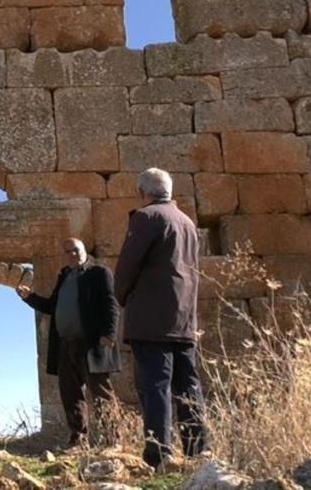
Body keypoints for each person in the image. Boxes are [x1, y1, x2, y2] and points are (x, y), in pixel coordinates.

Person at [114, 168, 209, 470]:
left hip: (151, 317)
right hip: (184, 317)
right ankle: (197, 449)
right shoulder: (188, 223)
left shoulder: (147, 217)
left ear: (143, 193)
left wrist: (122, 295)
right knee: (188, 383)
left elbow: (128, 264)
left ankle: (159, 453)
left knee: (155, 384)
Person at [17, 238, 120, 448]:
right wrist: (30, 298)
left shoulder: (99, 273)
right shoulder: (64, 277)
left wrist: (109, 334)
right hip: (65, 345)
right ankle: (78, 439)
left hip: (92, 343)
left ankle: (113, 440)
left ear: (84, 251)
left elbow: (111, 304)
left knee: (101, 392)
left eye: (75, 250)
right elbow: (52, 307)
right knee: (70, 394)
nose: (71, 254)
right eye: (67, 251)